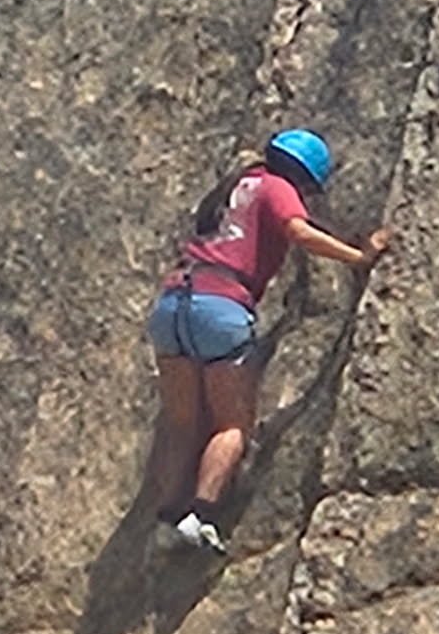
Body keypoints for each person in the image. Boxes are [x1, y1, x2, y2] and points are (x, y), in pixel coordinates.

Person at [146, 129, 391, 554]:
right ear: (305, 178)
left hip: (173, 303)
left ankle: (166, 518)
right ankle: (200, 516)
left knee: (182, 421)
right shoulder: (278, 188)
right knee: (232, 425)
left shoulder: (237, 185)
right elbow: (299, 232)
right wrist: (358, 258)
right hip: (221, 307)